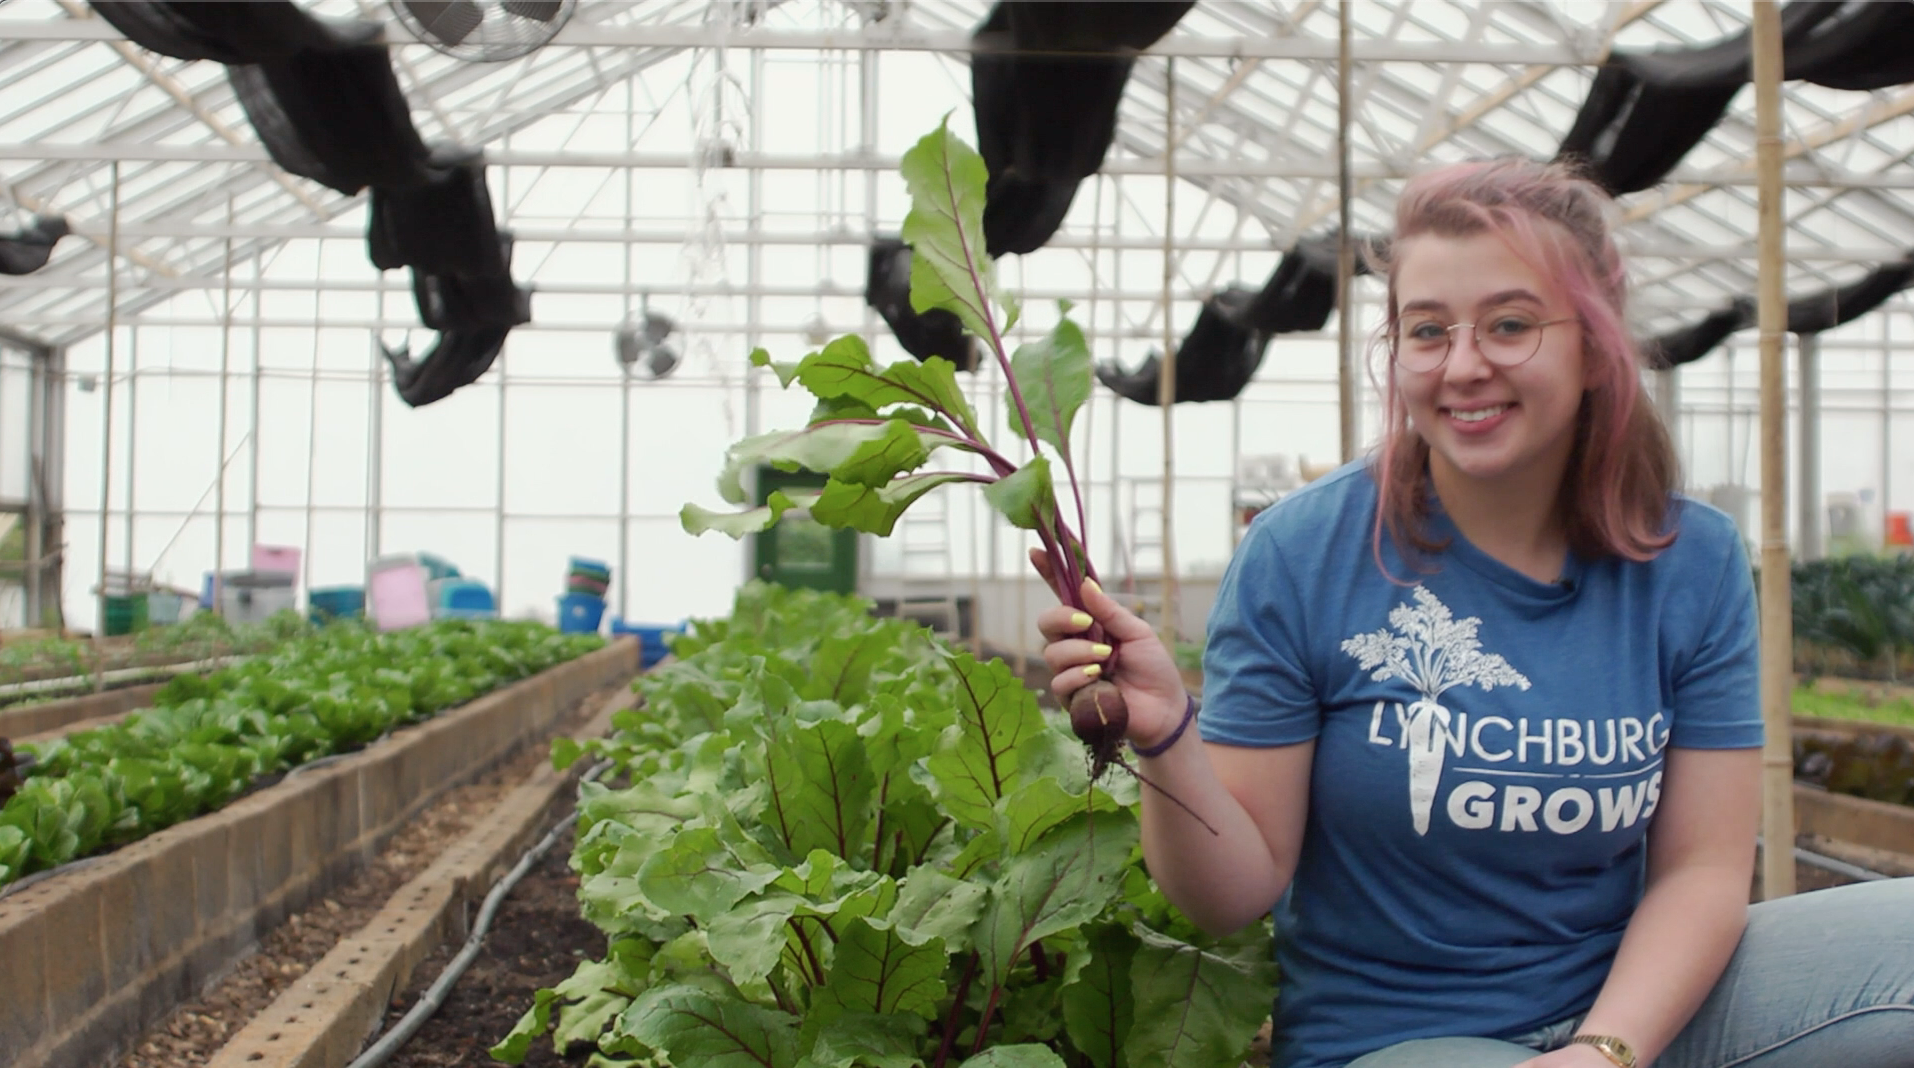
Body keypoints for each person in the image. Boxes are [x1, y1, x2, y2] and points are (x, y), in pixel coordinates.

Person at [1034, 158, 1914, 1068]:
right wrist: (1168, 732)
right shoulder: (1305, 555)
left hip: (1635, 1012)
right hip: (1403, 1040)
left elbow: (1702, 868)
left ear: (1596, 341)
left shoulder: (1689, 561)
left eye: (1509, 325)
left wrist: (1607, 1049)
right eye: (1428, 331)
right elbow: (1231, 893)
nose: (1463, 366)